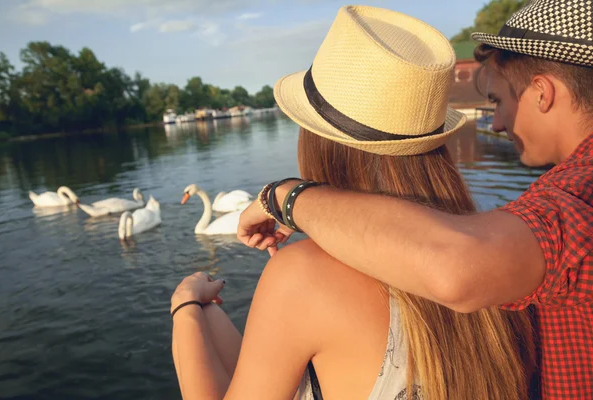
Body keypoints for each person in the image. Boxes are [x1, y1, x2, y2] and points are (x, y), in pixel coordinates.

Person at [171, 6, 535, 400]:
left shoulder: (303, 276)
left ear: (319, 141)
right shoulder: (495, 250)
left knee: (201, 313)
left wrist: (184, 309)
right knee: (214, 315)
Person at [237, 0, 593, 398]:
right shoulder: (500, 245)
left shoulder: (573, 197)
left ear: (542, 92)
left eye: (498, 100)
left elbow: (455, 267)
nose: (495, 122)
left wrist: (288, 196)